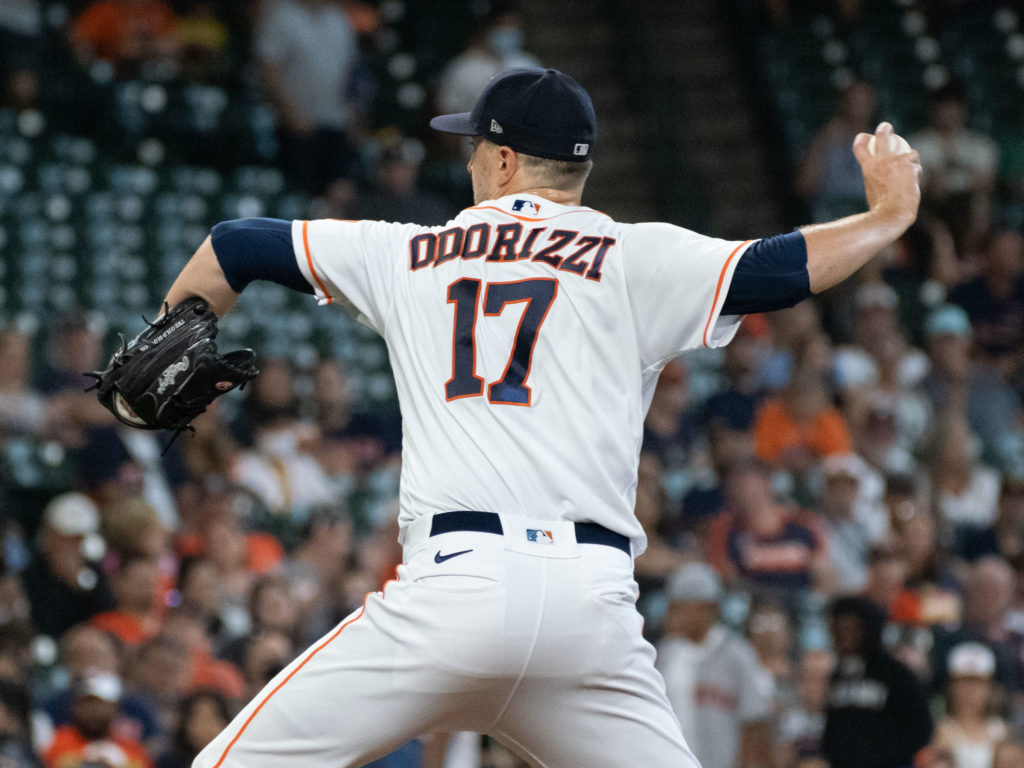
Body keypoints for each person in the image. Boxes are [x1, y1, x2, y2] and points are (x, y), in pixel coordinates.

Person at [114, 67, 921, 767]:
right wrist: (884, 217)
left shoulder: (406, 253)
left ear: (502, 161)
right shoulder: (632, 255)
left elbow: (237, 244)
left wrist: (159, 344)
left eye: (472, 147)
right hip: (592, 614)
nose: (466, 162)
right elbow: (774, 270)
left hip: (453, 594)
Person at [655, 562, 774, 768]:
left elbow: (755, 723)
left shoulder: (737, 654)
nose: (677, 615)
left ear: (711, 608)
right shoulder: (665, 655)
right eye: (675, 607)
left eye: (685, 607)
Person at [822, 596, 933, 768]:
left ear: (867, 629)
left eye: (850, 629)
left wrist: (886, 755)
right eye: (838, 630)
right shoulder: (837, 676)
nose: (843, 637)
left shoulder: (895, 674)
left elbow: (921, 727)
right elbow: (833, 728)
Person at [930, 642, 1007, 768]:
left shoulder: (1001, 731)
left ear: (990, 687)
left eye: (978, 682)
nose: (971, 690)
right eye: (963, 682)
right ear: (951, 686)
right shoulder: (940, 730)